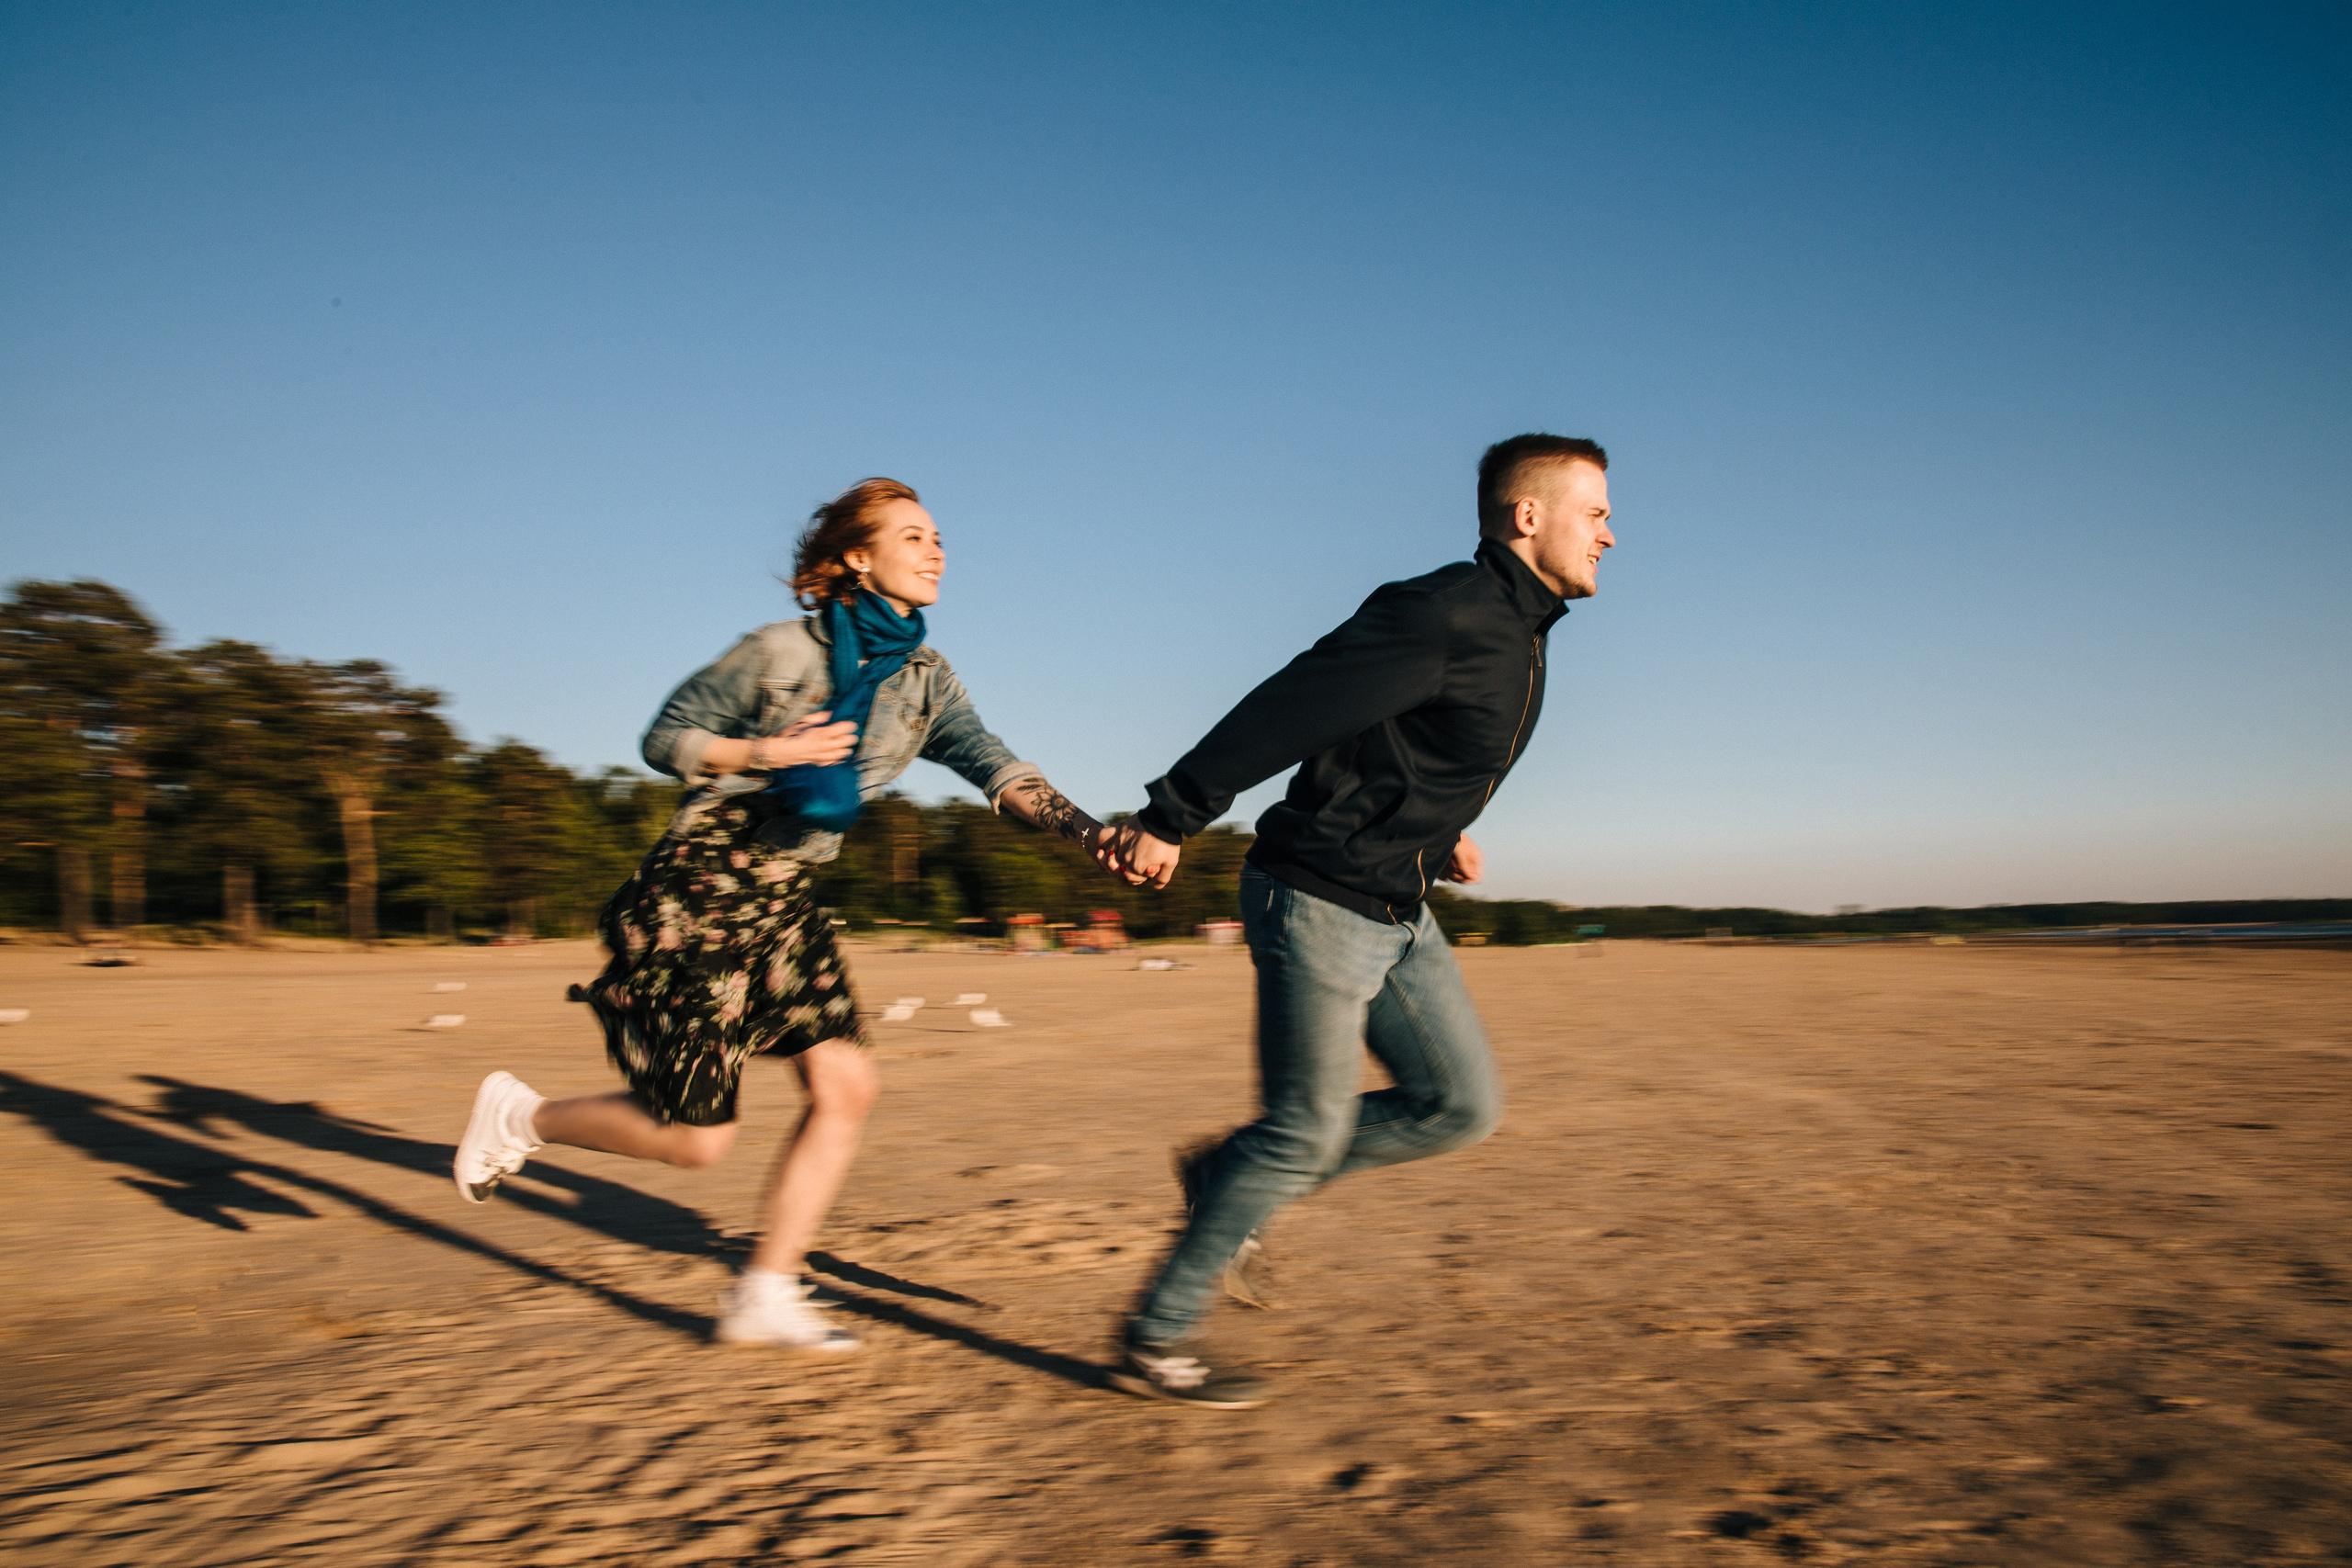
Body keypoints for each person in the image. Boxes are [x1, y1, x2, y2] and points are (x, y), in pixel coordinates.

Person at [454, 477, 1112, 1351]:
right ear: (854, 557)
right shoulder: (778, 652)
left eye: (938, 536)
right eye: (912, 536)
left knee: (846, 1083)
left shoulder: (925, 679)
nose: (936, 550)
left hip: (788, 897)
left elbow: (996, 767)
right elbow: (666, 737)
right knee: (694, 1142)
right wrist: (771, 749)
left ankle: (764, 1288)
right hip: (698, 888)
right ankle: (520, 1116)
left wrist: (1090, 830)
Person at [1094, 434, 1616, 1407]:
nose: (1611, 535)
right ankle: (1157, 1335)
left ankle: (1228, 1175)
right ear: (1527, 515)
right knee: (1302, 1128)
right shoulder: (1444, 610)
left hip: (1396, 904)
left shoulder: (1521, 630)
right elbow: (1298, 702)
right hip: (1319, 895)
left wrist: (1444, 829)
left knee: (1458, 1104)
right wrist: (1173, 814)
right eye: (1595, 513)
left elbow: (1409, 739)